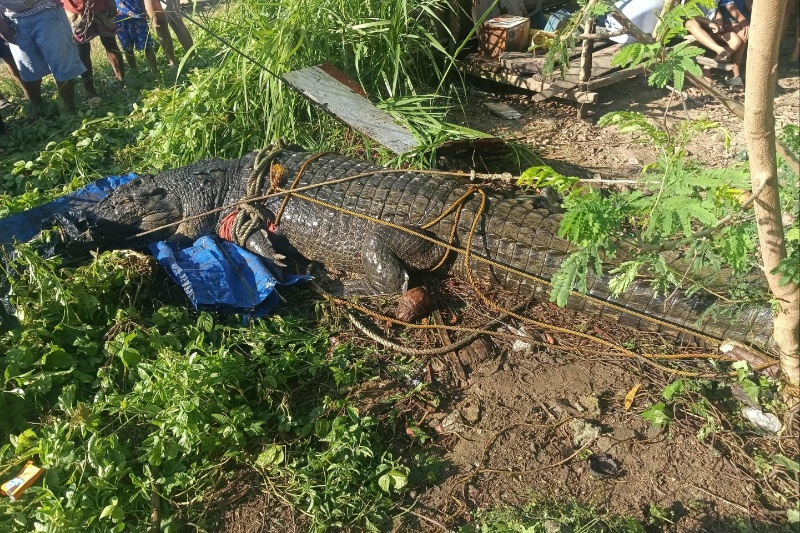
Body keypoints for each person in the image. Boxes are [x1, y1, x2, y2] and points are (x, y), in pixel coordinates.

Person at [0, 0, 86, 121]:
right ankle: (37, 108)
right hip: (11, 18)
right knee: (27, 67)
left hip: (46, 10)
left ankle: (69, 109)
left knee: (61, 62)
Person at [62, 0, 126, 96]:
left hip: (101, 4)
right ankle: (91, 93)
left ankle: (123, 85)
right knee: (82, 50)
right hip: (72, 7)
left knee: (110, 43)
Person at [684, 1, 745, 88]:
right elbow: (688, 13)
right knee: (690, 23)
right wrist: (709, 23)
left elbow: (716, 9)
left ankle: (707, 67)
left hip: (712, 25)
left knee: (736, 41)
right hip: (698, 23)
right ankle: (719, 50)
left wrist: (719, 21)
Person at [115, 0, 158, 73]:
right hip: (120, 19)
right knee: (127, 48)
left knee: (147, 45)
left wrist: (144, 8)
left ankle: (155, 72)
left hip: (137, 15)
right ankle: (134, 72)